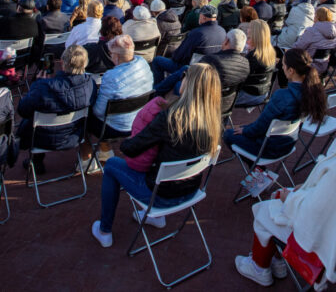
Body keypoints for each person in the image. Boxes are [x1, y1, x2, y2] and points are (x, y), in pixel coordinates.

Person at [234, 89, 336, 290]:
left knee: (265, 210)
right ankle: (277, 261)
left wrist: (291, 197)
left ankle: (259, 268)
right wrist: (303, 190)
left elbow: (313, 215)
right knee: (281, 197)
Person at [91, 62, 221, 248]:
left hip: (162, 195)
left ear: (189, 83)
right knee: (163, 161)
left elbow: (131, 149)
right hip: (191, 189)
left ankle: (104, 230)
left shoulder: (171, 117)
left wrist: (128, 139)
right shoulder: (213, 119)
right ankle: (157, 218)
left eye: (185, 76)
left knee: (111, 165)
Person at [224, 48, 327, 160]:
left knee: (228, 134)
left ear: (291, 70)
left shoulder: (283, 96)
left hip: (268, 147)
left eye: (283, 64)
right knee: (243, 128)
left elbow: (261, 126)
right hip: (288, 142)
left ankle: (259, 171)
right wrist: (246, 129)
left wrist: (246, 130)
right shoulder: (311, 92)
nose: (282, 67)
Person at [16, 44, 95, 173]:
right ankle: (36, 162)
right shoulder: (89, 84)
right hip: (74, 135)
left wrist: (37, 84)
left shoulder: (43, 87)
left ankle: (36, 162)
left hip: (41, 138)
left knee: (32, 119)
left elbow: (23, 110)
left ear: (63, 64)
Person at [88, 34, 154, 163]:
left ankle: (93, 157)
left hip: (116, 128)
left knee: (83, 116)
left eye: (111, 53)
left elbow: (98, 112)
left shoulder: (112, 76)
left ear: (116, 56)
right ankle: (104, 150)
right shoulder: (143, 64)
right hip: (139, 119)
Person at [199, 28, 251, 110]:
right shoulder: (246, 63)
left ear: (226, 41)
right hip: (226, 106)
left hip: (205, 105)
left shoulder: (210, 60)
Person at [237, 19, 278, 106]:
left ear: (255, 33)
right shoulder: (270, 52)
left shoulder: (254, 56)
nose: (247, 30)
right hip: (264, 93)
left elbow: (240, 78)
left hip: (249, 95)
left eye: (250, 28)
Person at [292, 6, 336, 71]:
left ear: (317, 17)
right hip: (324, 65)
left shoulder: (312, 31)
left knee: (286, 59)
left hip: (308, 64)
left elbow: (298, 47)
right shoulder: (335, 32)